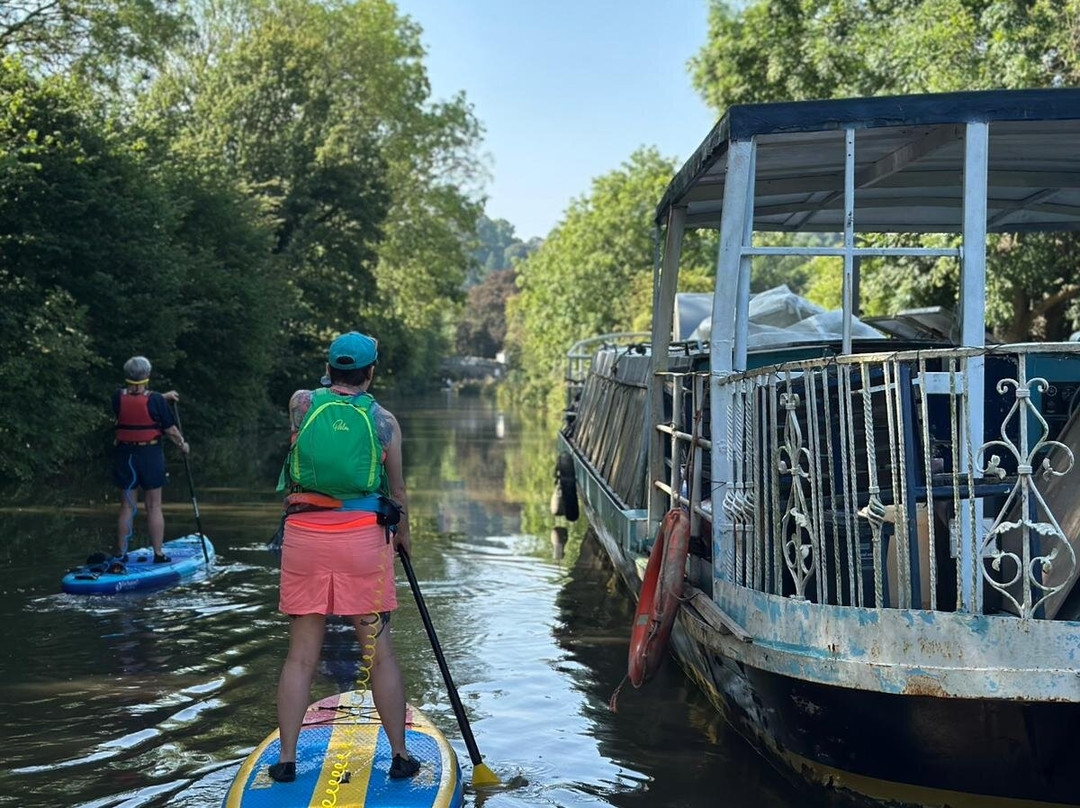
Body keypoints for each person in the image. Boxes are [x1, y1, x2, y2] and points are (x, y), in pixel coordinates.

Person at [270, 331, 419, 783]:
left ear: (328, 368)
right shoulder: (385, 422)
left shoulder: (300, 404)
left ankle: (287, 760)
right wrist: (404, 537)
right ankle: (399, 756)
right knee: (379, 653)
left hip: (305, 537)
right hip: (362, 542)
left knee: (300, 656)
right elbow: (397, 491)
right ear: (371, 372)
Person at [112, 356, 189, 563]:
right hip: (149, 455)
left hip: (125, 455)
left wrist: (162, 397)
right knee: (154, 505)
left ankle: (121, 554)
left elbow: (136, 402)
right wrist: (182, 444)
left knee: (127, 506)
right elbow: (170, 430)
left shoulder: (117, 397)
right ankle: (158, 554)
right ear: (147, 375)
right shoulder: (155, 400)